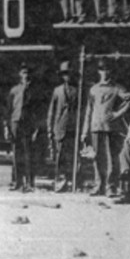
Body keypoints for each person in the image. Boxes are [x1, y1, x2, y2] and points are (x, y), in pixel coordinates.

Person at [82, 58, 130, 196]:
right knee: (97, 157)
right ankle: (98, 185)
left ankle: (110, 186)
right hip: (95, 126)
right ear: (99, 72)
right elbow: (89, 111)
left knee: (110, 157)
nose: (105, 73)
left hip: (110, 127)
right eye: (102, 70)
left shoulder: (116, 88)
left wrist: (117, 114)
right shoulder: (93, 89)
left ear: (110, 71)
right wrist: (84, 131)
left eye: (107, 70)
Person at [5, 62, 42, 192]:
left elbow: (38, 111)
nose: (26, 75)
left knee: (28, 154)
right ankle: (17, 181)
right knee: (16, 153)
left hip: (28, 124)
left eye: (28, 73)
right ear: (19, 74)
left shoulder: (34, 91)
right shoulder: (14, 90)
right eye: (23, 73)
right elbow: (8, 109)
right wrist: (7, 127)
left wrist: (36, 128)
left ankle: (29, 183)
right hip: (15, 123)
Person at [48, 61, 79, 193]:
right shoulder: (57, 90)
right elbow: (52, 110)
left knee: (72, 155)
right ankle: (60, 180)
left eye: (69, 74)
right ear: (62, 76)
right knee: (59, 156)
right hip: (60, 127)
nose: (67, 76)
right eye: (65, 74)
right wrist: (50, 128)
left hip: (72, 127)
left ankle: (71, 180)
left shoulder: (77, 90)